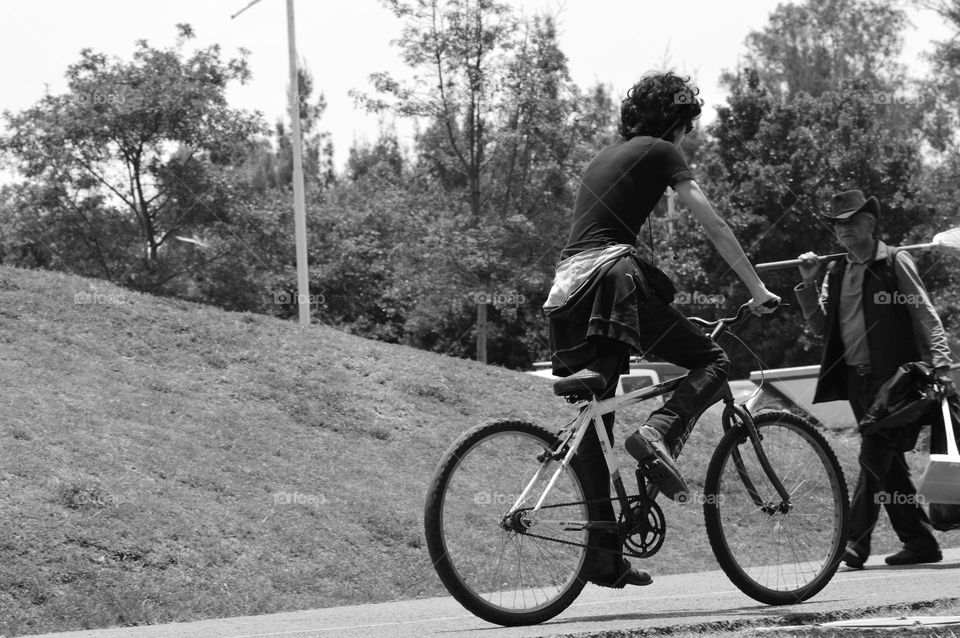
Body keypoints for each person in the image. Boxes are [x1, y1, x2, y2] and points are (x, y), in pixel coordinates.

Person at [544, 71, 780, 588]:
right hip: (611, 280)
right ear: (677, 120)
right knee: (714, 360)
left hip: (565, 295)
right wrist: (757, 288)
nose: (687, 137)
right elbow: (713, 222)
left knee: (596, 420)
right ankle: (658, 432)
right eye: (688, 126)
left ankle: (603, 558)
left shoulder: (603, 157)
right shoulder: (661, 150)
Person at [795, 189, 952, 569]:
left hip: (897, 381)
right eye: (837, 225)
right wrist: (808, 285)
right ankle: (919, 541)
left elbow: (924, 313)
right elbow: (822, 329)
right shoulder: (836, 271)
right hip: (856, 381)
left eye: (850, 221)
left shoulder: (896, 260)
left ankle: (854, 542)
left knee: (872, 456)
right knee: (889, 463)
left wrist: (942, 363)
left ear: (870, 222)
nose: (843, 229)